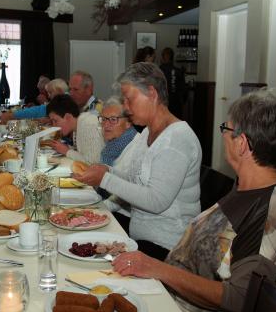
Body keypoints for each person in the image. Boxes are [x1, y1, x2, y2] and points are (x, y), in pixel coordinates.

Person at [112, 88, 276, 312]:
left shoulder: (273, 210)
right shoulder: (248, 188)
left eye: (227, 127)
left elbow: (241, 297)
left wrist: (156, 268)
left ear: (242, 143)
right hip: (174, 308)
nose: (223, 133)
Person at [74, 62, 202, 260]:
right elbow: (136, 181)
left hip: (167, 248)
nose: (125, 107)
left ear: (151, 93)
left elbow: (156, 200)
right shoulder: (148, 133)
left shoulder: (177, 139)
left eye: (129, 99)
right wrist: (107, 170)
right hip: (141, 240)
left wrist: (105, 179)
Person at [98, 96, 139, 233]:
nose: (105, 125)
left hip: (127, 218)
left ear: (128, 123)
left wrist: (99, 209)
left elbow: (126, 193)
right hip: (111, 208)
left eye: (113, 119)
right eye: (103, 119)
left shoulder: (137, 146)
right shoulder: (111, 146)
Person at [47, 94, 105, 165]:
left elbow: (93, 163)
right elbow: (83, 152)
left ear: (68, 117)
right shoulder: (77, 126)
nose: (54, 126)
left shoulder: (88, 124)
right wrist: (66, 148)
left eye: (55, 121)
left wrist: (66, 151)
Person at [0, 78, 69, 123]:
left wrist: (12, 115)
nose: (49, 96)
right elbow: (38, 110)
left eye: (50, 92)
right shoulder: (60, 103)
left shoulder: (66, 104)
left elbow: (38, 111)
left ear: (59, 91)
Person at [159, 47, 186, 118]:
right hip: (176, 103)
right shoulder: (178, 71)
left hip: (162, 103)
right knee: (175, 123)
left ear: (162, 57)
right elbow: (183, 90)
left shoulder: (158, 70)